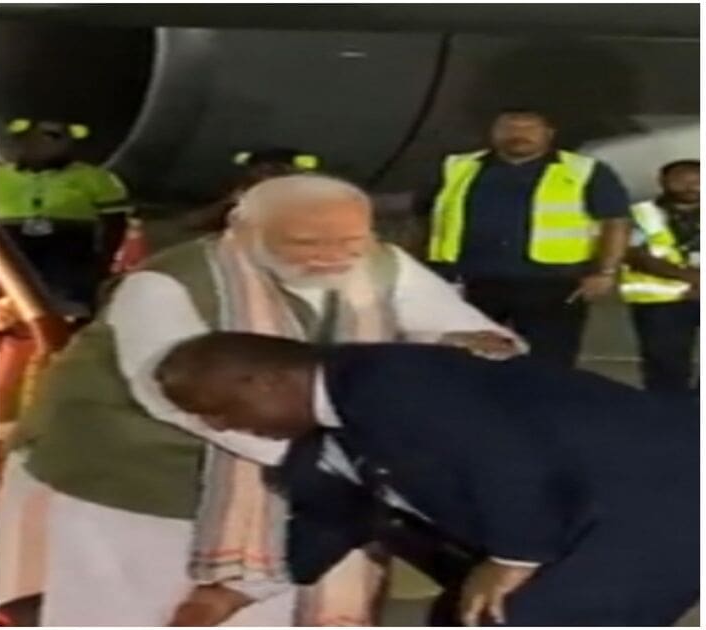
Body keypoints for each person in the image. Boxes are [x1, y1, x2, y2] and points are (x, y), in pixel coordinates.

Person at [0, 174, 526, 626]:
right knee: (134, 613)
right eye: (306, 242)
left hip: (304, 488)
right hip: (140, 487)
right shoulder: (166, 284)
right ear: (242, 228)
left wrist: (472, 348)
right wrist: (343, 461)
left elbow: (461, 334)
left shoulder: (380, 264)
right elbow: (182, 398)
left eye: (352, 240)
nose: (333, 255)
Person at [153, 332, 699, 627]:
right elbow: (336, 521)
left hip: (664, 493)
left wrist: (511, 560)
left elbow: (504, 459)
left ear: (267, 381)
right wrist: (233, 594)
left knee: (522, 620)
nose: (218, 427)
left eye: (217, 409)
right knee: (468, 617)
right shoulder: (328, 438)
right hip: (610, 510)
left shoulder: (387, 379)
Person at [416, 108, 632, 367]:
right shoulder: (456, 167)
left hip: (551, 285)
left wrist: (606, 272)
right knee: (464, 361)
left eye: (529, 128)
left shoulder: (584, 170)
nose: (518, 135)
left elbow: (615, 222)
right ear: (493, 133)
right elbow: (423, 217)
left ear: (548, 134)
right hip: (470, 281)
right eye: (509, 128)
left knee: (549, 363)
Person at [0, 118, 130, 312]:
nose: (61, 143)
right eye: (52, 135)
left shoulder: (97, 178)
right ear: (26, 138)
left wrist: (103, 264)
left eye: (65, 138)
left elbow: (115, 223)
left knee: (72, 309)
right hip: (11, 255)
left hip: (69, 257)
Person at [621, 159, 699, 395]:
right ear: (662, 181)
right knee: (665, 366)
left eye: (698, 180)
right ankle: (667, 411)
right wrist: (692, 278)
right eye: (681, 180)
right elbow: (634, 255)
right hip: (660, 302)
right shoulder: (639, 214)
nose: (691, 186)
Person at [198, 148, 323, 232]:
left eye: (275, 170)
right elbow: (196, 223)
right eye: (262, 170)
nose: (266, 175)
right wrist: (230, 204)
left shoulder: (315, 199)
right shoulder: (241, 196)